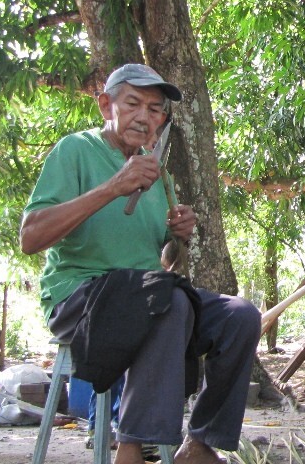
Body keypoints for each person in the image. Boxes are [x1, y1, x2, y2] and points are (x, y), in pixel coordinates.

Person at [20, 63, 261, 464]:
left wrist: (177, 238)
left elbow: (162, 265)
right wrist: (113, 187)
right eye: (133, 103)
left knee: (239, 315)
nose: (144, 116)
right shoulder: (75, 150)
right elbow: (31, 237)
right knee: (167, 301)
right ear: (105, 105)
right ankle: (131, 448)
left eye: (155, 109)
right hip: (80, 298)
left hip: (147, 297)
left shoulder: (156, 172)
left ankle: (199, 444)